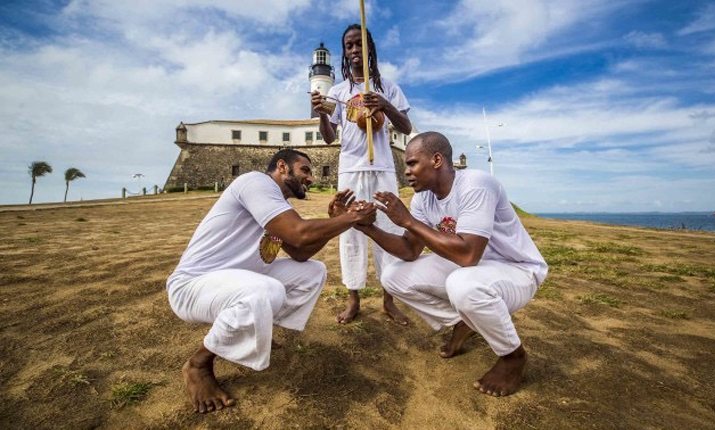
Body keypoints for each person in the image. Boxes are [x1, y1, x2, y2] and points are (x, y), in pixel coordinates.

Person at [166, 148, 375, 413]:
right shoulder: (256, 182)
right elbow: (299, 235)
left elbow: (301, 252)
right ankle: (198, 365)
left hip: (234, 281)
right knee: (268, 290)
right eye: (305, 171)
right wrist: (352, 217)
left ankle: (257, 328)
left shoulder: (278, 205)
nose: (311, 179)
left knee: (313, 272)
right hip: (193, 286)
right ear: (282, 167)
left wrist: (337, 221)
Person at [349, 132, 548, 396]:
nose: (406, 171)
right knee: (393, 275)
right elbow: (409, 251)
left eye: (412, 163)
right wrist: (368, 228)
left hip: (517, 270)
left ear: (437, 160)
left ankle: (513, 357)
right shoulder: (423, 198)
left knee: (462, 285)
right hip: (473, 271)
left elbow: (468, 255)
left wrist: (408, 221)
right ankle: (465, 320)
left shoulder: (476, 184)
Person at [311, 23, 413, 325]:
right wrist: (321, 115)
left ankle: (388, 299)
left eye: (359, 44)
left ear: (370, 49)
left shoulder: (388, 87)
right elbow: (329, 137)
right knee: (351, 233)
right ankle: (353, 297)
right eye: (349, 46)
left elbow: (406, 128)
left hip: (381, 167)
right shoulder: (339, 91)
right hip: (351, 170)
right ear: (344, 52)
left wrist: (384, 104)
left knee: (388, 230)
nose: (355, 50)